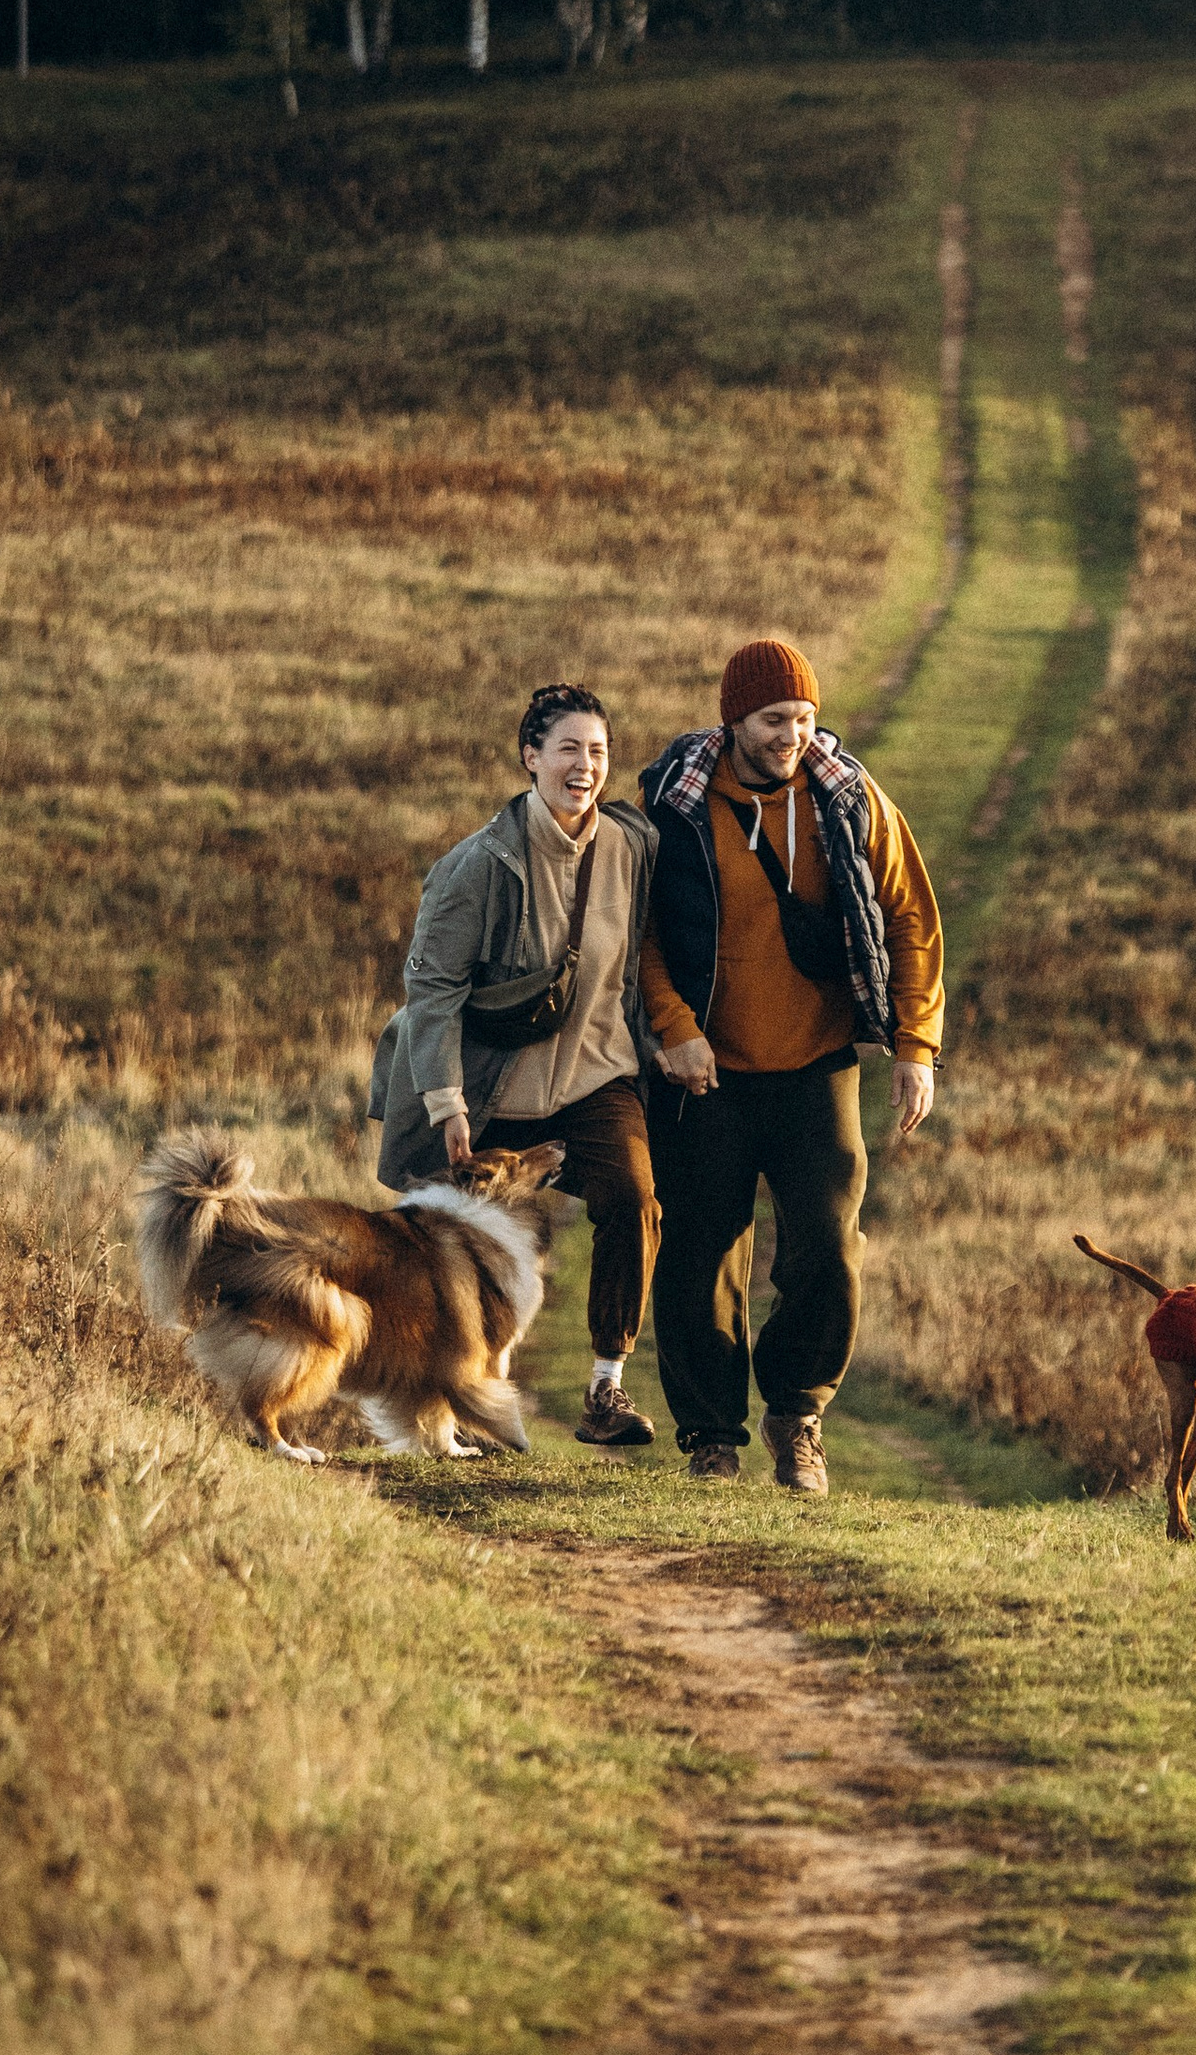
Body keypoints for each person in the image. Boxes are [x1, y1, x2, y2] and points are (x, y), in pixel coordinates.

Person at [639, 636, 944, 1493]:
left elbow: (912, 919)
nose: (793, 736)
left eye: (805, 719)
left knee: (827, 1245)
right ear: (733, 719)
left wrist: (917, 1049)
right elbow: (643, 936)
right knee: (700, 1254)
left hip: (818, 1063)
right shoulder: (674, 804)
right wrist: (673, 1028)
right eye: (775, 720)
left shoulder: (850, 801)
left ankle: (797, 1413)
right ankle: (709, 1437)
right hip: (704, 1070)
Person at [372, 682, 662, 1450]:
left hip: (598, 1074)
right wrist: (447, 1100)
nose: (585, 766)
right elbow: (432, 988)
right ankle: (457, 1395)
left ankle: (606, 1385)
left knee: (633, 1201)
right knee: (444, 1244)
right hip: (495, 1086)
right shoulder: (477, 866)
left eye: (598, 751)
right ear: (531, 758)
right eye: (568, 748)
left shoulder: (631, 847)